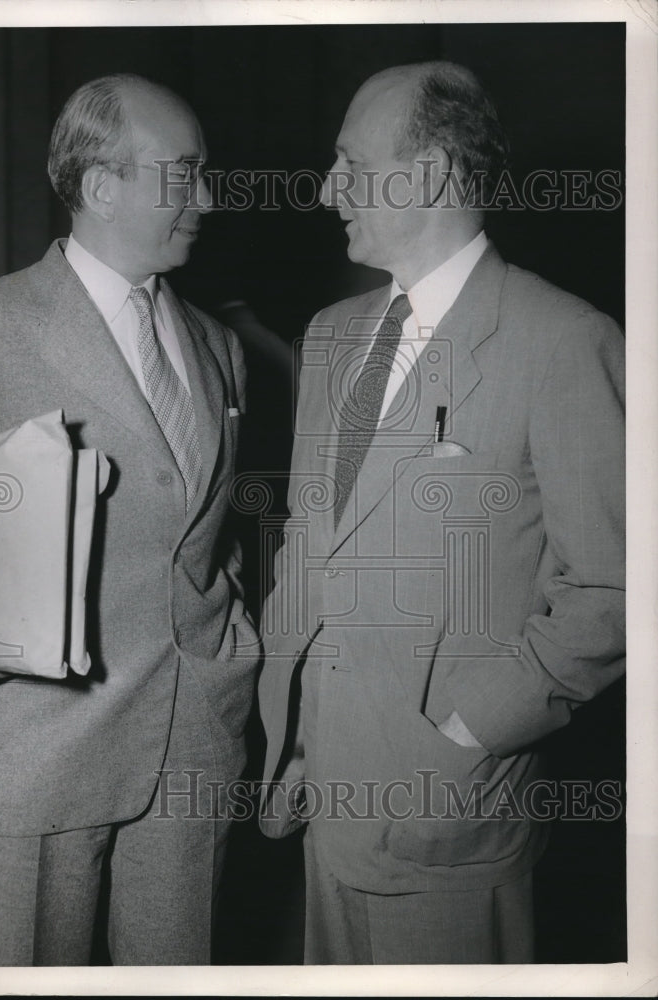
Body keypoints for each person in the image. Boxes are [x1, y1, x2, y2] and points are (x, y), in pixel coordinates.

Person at [257, 61, 625, 964]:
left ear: (422, 175)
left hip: (451, 811)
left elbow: (614, 594)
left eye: (348, 163)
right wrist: (294, 726)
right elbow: (314, 544)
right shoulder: (331, 335)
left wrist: (463, 736)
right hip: (321, 791)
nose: (325, 187)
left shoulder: (563, 340)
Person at [0, 73, 260, 966]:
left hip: (193, 750)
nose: (208, 199)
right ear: (102, 186)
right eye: (183, 175)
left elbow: (204, 536)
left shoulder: (221, 346)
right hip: (31, 754)